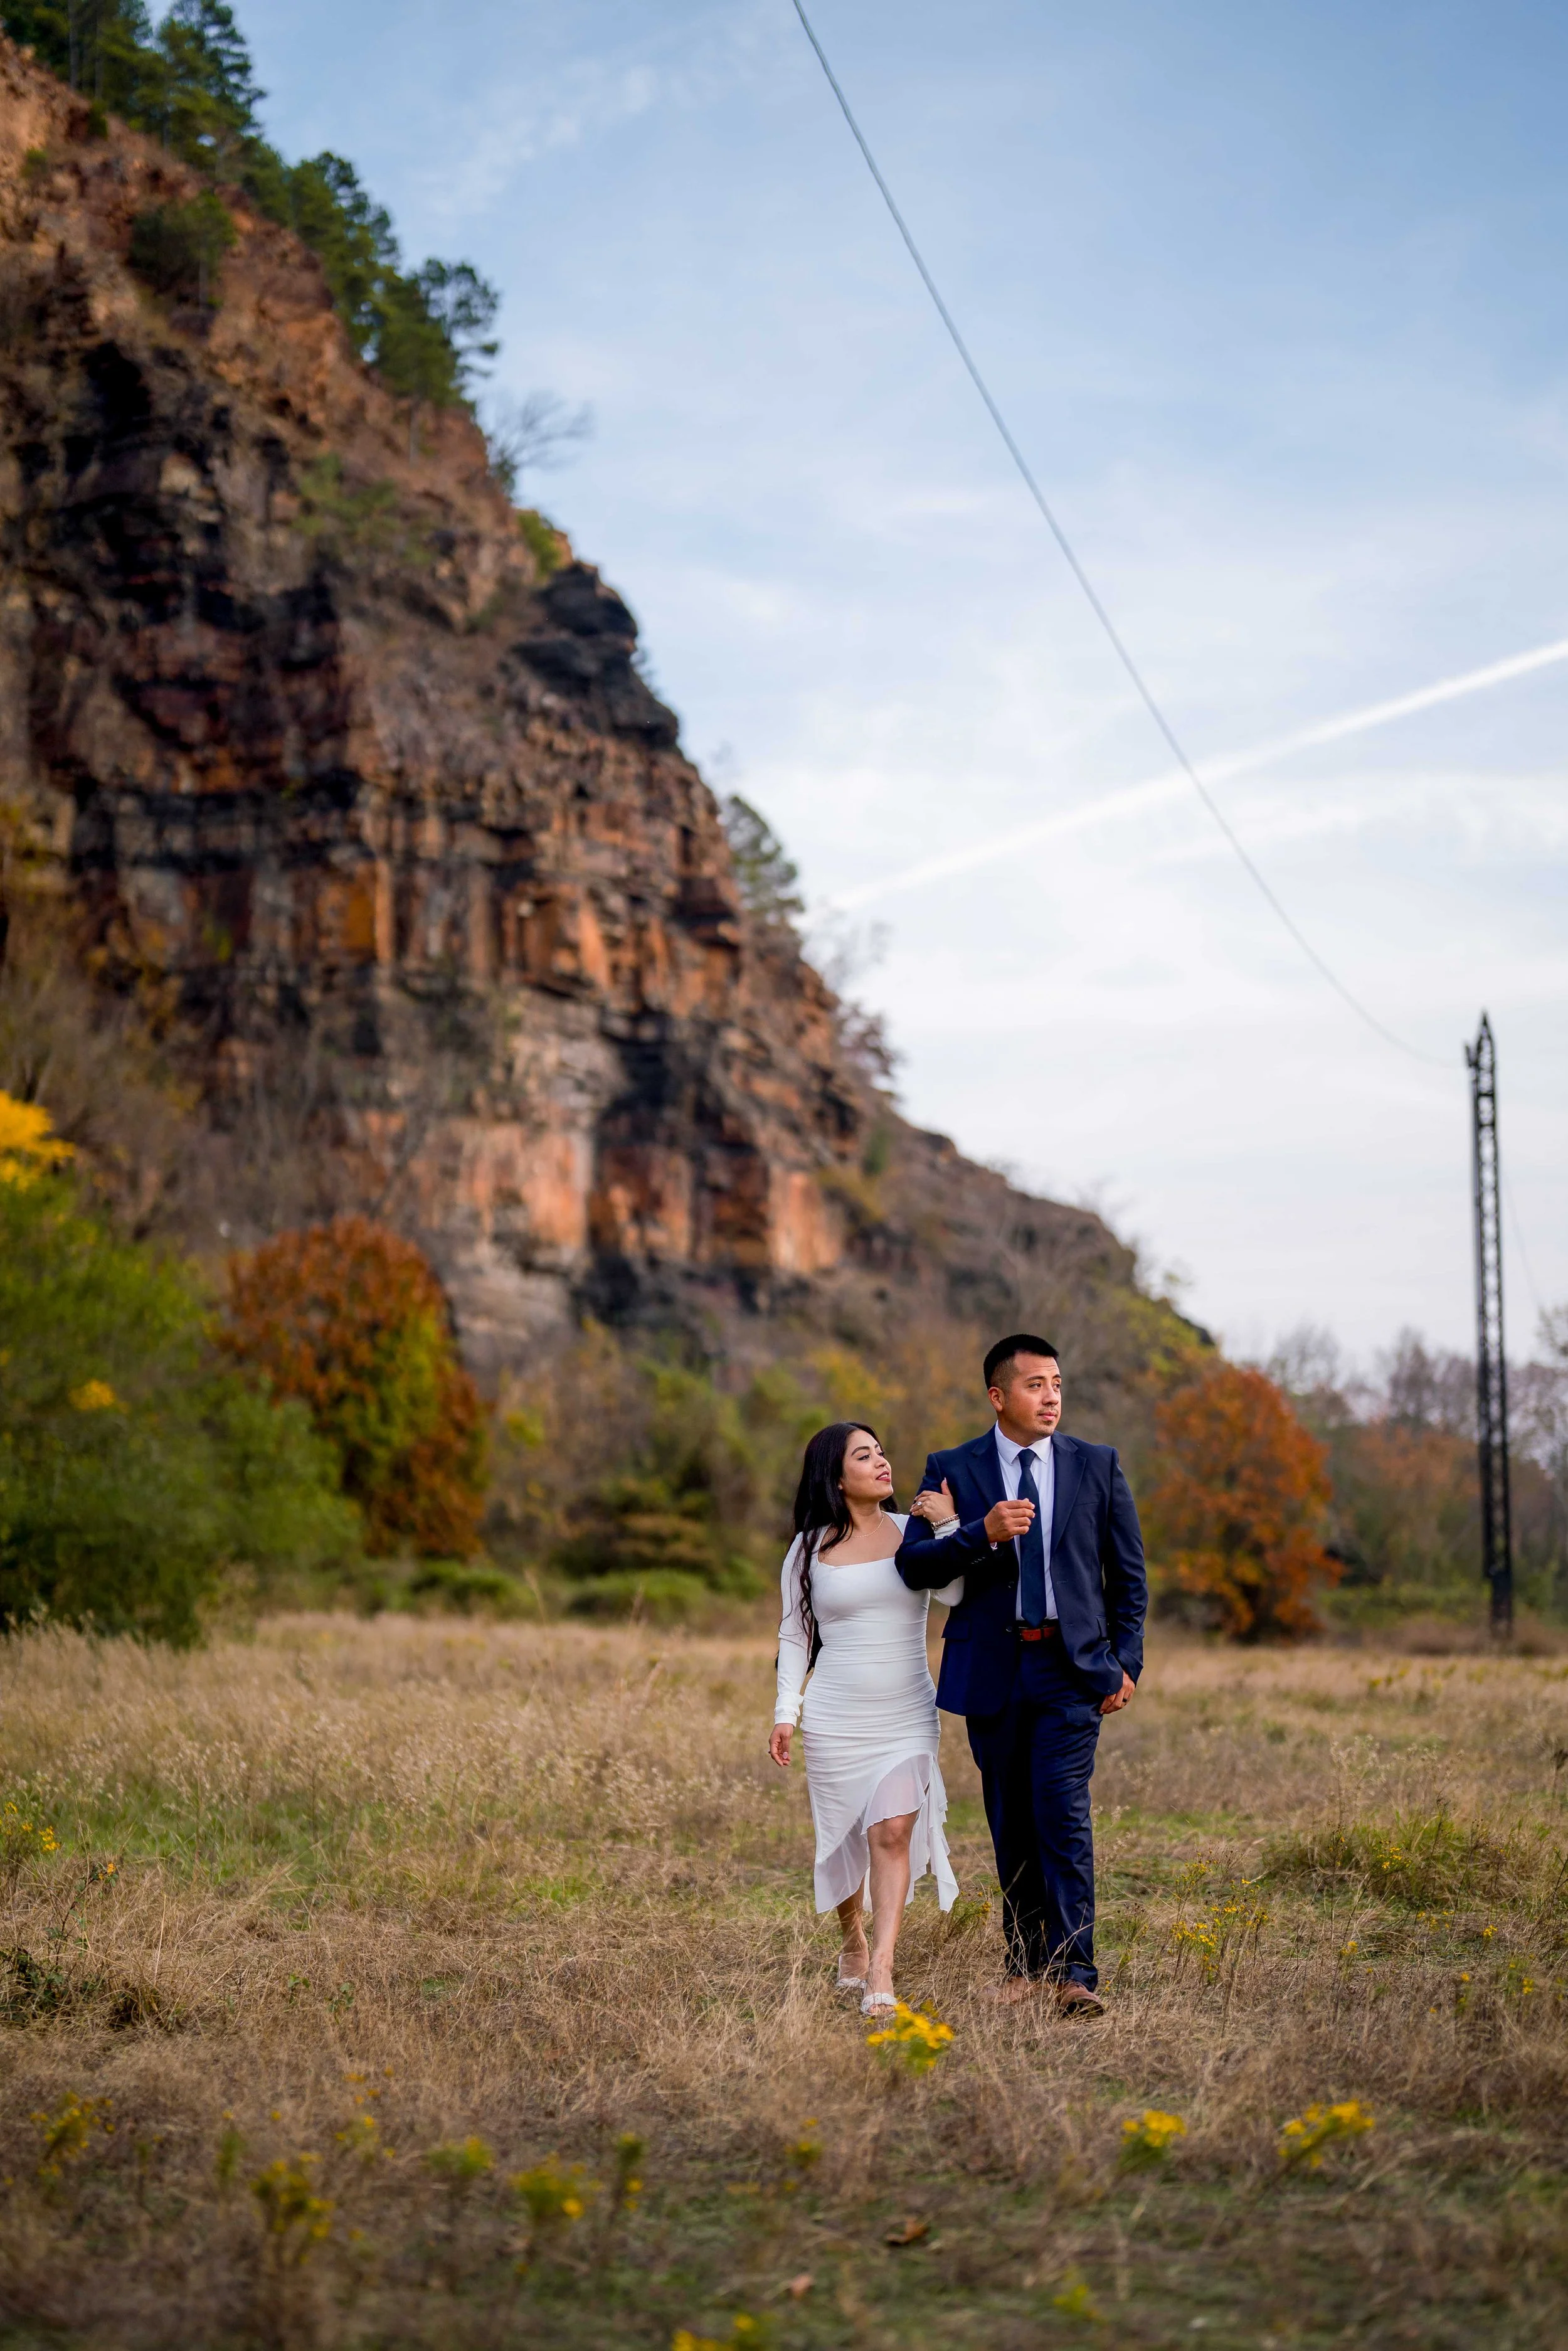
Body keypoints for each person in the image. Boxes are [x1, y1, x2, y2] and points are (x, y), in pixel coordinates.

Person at [896, 1335, 1147, 2017]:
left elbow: (1127, 1576)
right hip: (993, 1671)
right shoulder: (952, 1467)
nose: (1052, 1396)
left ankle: (1075, 1973)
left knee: (1061, 1815)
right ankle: (1023, 1966)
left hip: (1071, 1669)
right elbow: (913, 1567)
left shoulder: (1097, 1464)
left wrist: (1126, 1661)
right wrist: (979, 1530)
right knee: (1011, 1820)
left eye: (1058, 1383)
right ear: (998, 1396)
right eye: (1035, 1384)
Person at [769, 1421, 964, 2017]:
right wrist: (786, 1712)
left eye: (882, 1450)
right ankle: (851, 1938)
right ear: (835, 1476)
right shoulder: (808, 1548)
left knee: (892, 1831)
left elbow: (954, 1594)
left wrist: (951, 1525)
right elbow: (795, 1633)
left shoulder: (915, 1532)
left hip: (906, 1710)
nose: (882, 1462)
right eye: (864, 1455)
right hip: (834, 1715)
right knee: (847, 1837)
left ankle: (882, 1968)